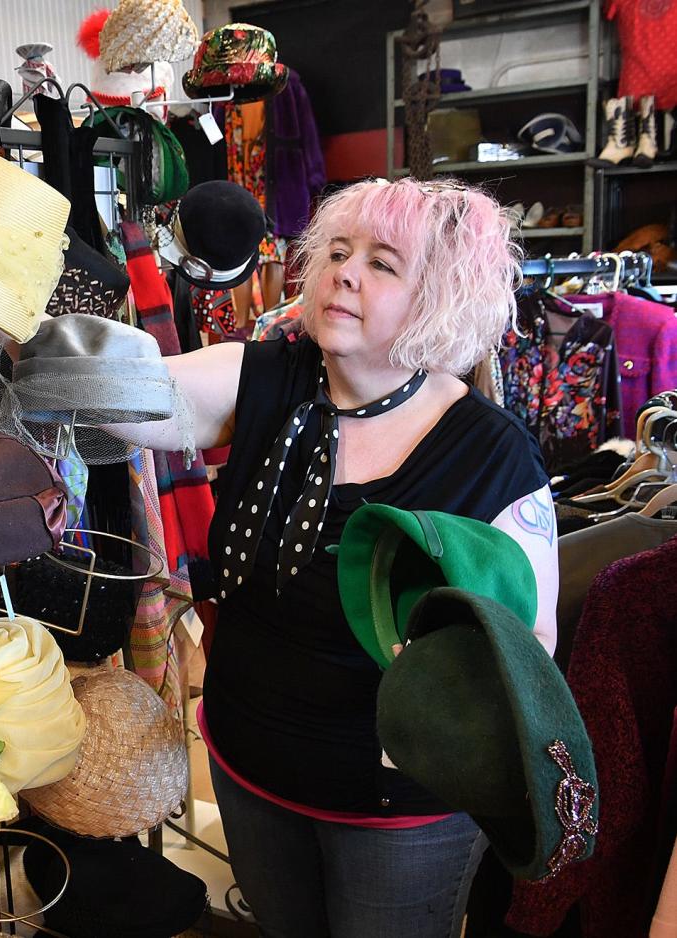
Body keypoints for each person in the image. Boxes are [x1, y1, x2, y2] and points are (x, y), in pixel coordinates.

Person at [115, 178, 557, 937]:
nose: (344, 272)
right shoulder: (268, 375)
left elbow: (528, 653)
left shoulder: (491, 455)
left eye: (383, 263)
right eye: (338, 253)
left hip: (397, 812)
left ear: (439, 299)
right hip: (249, 765)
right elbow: (130, 390)